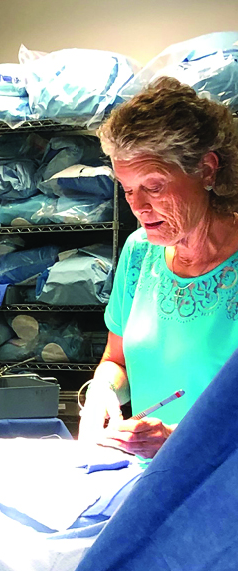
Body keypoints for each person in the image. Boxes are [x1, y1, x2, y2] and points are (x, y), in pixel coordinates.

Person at [79, 77, 238, 458]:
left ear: (207, 171)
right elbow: (117, 360)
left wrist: (179, 439)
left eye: (154, 185)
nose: (138, 206)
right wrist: (103, 387)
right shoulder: (139, 253)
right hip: (149, 482)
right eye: (127, 188)